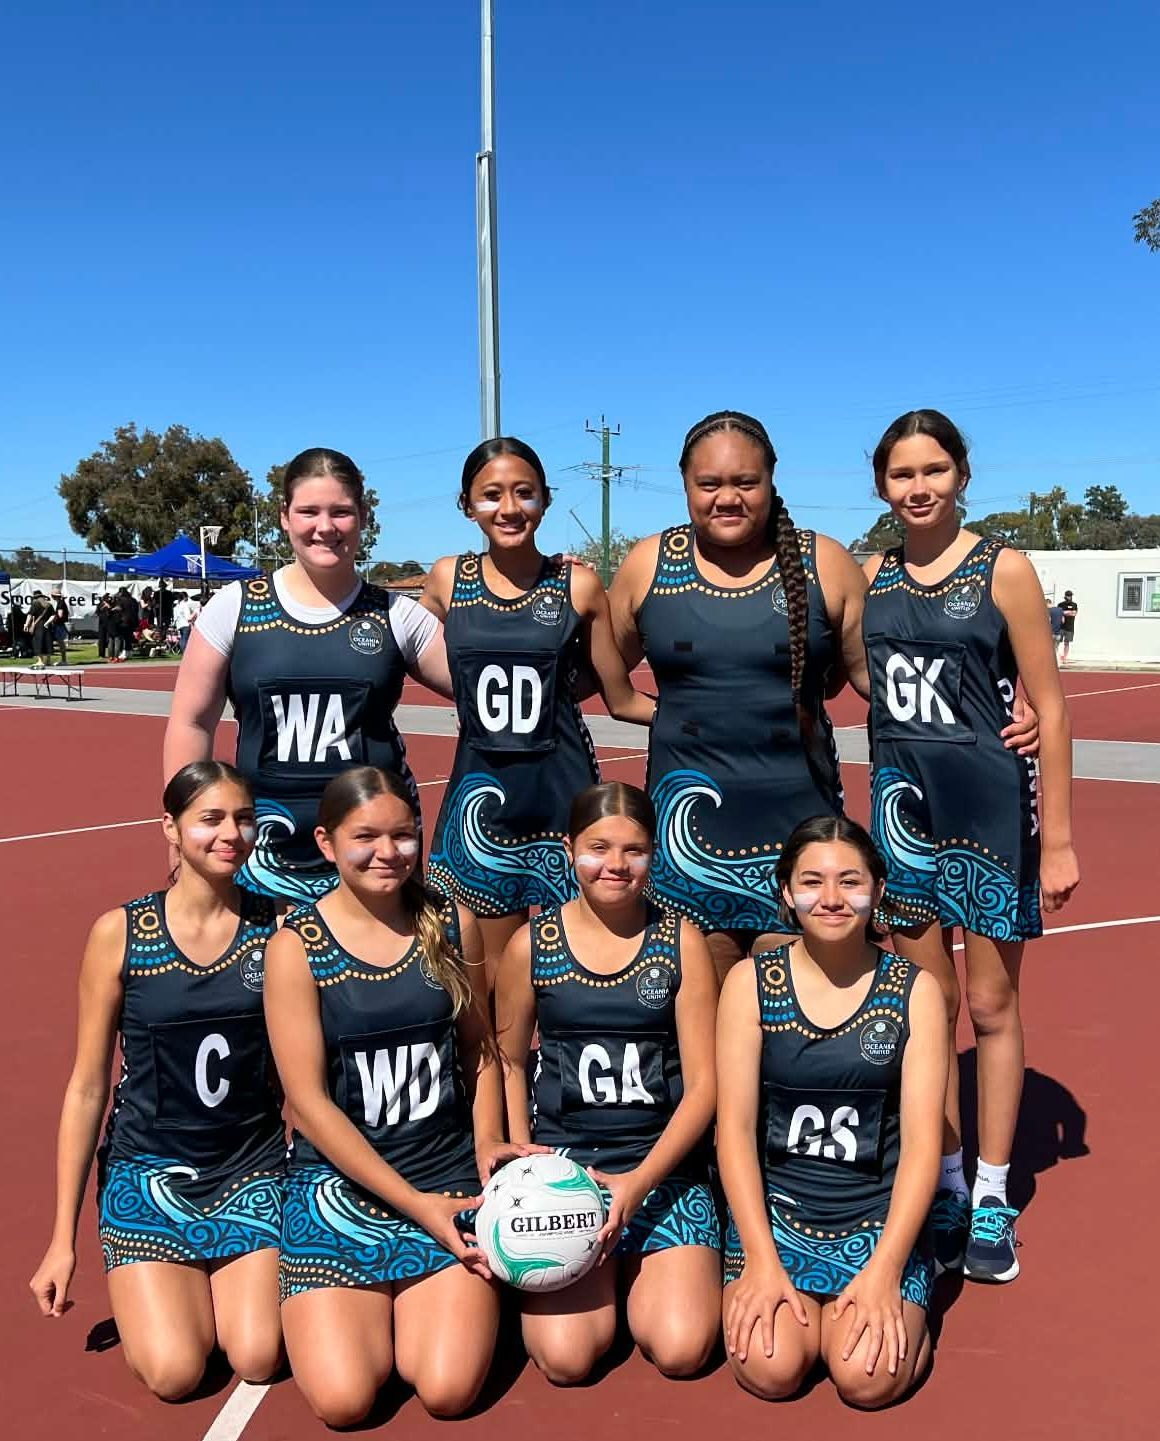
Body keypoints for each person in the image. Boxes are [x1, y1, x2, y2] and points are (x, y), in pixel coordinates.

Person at [862, 409, 1079, 1283]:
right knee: (925, 1007)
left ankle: (992, 1190)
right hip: (901, 814)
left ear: (962, 475)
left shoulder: (1006, 568)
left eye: (935, 470)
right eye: (902, 473)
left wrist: (1058, 840)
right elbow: (853, 670)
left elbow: (1051, 707)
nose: (919, 488)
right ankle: (942, 1181)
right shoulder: (871, 576)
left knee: (989, 1004)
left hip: (990, 812)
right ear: (882, 483)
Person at [263, 767, 519, 1426]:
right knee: (345, 1400)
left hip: (445, 1176)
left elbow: (479, 1049)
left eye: (403, 835)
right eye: (366, 836)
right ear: (326, 842)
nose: (388, 852)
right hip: (340, 1190)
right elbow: (309, 1104)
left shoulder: (448, 921)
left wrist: (487, 1138)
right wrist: (416, 1206)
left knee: (447, 1389)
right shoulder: (297, 946)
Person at [29, 762, 286, 1400]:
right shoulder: (120, 934)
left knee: (256, 1354)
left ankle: (201, 1283)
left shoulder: (275, 928)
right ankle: (156, 1275)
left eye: (243, 818)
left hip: (248, 1172)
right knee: (176, 1372)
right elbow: (88, 1086)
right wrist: (62, 1241)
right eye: (210, 819)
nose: (231, 833)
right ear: (169, 828)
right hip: (148, 1174)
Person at [609, 411, 870, 980]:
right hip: (687, 845)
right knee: (701, 1028)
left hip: (801, 833)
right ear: (685, 484)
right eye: (709, 484)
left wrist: (1006, 695)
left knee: (797, 1029)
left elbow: (879, 678)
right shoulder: (648, 565)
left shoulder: (824, 562)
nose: (727, 498)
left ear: (772, 480)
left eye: (745, 483)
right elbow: (596, 676)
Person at [716, 816, 946, 1409]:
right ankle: (787, 1287)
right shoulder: (749, 984)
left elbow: (922, 1145)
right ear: (787, 893)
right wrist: (762, 1262)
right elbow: (735, 1134)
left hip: (874, 1221)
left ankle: (915, 1281)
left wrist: (887, 1268)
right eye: (812, 882)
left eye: (851, 881)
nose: (833, 898)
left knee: (866, 1378)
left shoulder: (914, 990)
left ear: (877, 889)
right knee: (772, 1368)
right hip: (780, 1218)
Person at [495, 781, 721, 1384]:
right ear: (569, 848)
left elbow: (704, 1086)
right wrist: (522, 1159)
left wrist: (637, 1183)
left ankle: (652, 1269)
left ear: (654, 855)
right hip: (565, 1173)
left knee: (681, 1348)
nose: (616, 866)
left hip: (660, 1171)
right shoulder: (532, 945)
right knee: (566, 1360)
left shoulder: (681, 942)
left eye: (634, 850)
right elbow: (510, 1060)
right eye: (598, 847)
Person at [164, 447, 454, 902]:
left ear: (363, 516)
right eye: (308, 511)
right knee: (265, 971)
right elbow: (191, 723)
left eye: (340, 512)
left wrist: (542, 583)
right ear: (284, 517)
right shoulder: (235, 608)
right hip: (262, 845)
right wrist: (184, 831)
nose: (324, 527)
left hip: (373, 845)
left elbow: (484, 681)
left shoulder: (396, 614)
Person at [424, 437, 656, 981]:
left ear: (545, 501)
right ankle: (502, 1070)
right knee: (490, 975)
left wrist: (707, 720)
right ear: (467, 504)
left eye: (524, 493)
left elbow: (619, 697)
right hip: (481, 800)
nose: (509, 508)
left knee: (575, 968)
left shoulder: (577, 583)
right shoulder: (444, 580)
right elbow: (399, 655)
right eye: (491, 495)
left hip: (562, 799)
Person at [26, 590, 53, 668]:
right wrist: (47, 623)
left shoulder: (35, 604)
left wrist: (27, 624)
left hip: (38, 626)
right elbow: (53, 615)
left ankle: (40, 661)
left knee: (38, 642)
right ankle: (48, 660)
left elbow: (30, 615)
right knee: (47, 642)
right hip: (47, 626)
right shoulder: (48, 605)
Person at [1058, 590, 1078, 664]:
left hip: (1070, 627)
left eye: (1071, 595)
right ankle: (1058, 657)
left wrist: (1065, 612)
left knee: (1067, 643)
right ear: (1065, 596)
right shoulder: (1061, 604)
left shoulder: (1074, 605)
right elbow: (1060, 613)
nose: (1069, 597)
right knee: (1058, 642)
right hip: (1061, 626)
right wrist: (1069, 612)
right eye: (1068, 595)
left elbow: (1074, 613)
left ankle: (1065, 657)